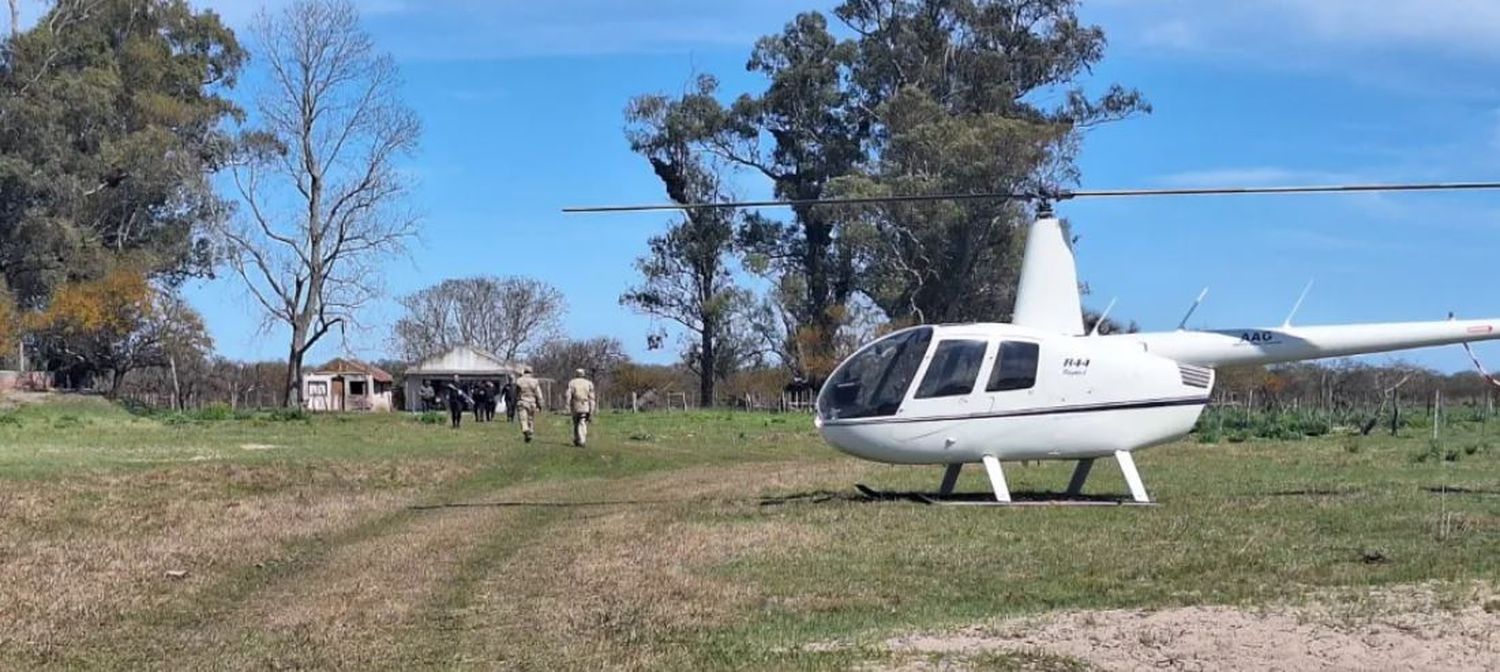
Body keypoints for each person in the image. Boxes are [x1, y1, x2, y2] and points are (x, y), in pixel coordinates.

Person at [564, 368, 596, 447]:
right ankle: (582, 439)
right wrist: (592, 408)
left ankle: (578, 439)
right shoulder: (588, 383)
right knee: (582, 421)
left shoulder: (572, 382)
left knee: (576, 422)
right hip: (585, 404)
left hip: (576, 404)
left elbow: (568, 395)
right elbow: (592, 397)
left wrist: (567, 405)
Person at [515, 366, 544, 443]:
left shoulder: (519, 381)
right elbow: (539, 394)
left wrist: (515, 400)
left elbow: (517, 392)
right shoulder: (535, 381)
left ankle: (525, 430)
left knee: (523, 419)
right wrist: (540, 404)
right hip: (532, 402)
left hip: (522, 401)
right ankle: (530, 431)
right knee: (530, 419)